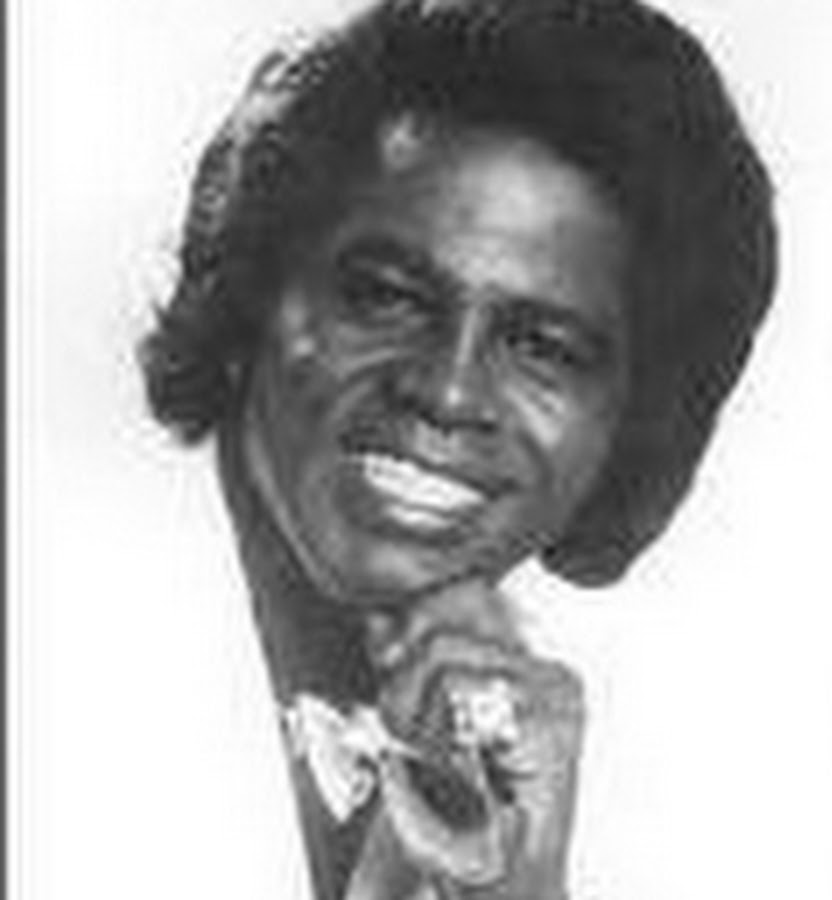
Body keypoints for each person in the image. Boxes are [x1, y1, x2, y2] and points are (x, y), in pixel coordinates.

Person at [139, 0, 777, 897]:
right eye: (386, 296)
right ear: (256, 287)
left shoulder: (612, 757)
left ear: (628, 421)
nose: (445, 392)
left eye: (543, 347)